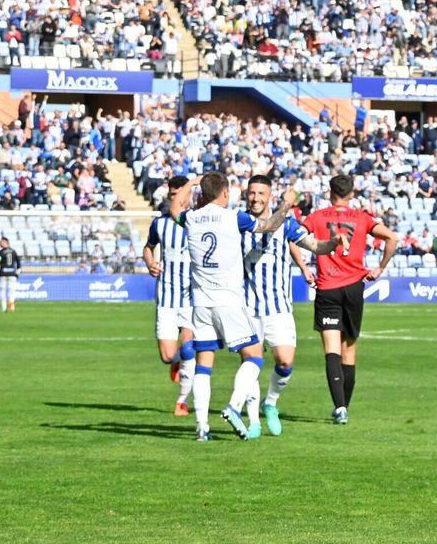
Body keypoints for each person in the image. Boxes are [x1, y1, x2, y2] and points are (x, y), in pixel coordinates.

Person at [182, 171, 294, 442]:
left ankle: (202, 428)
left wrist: (190, 183)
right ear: (225, 193)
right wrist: (287, 204)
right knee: (254, 356)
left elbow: (175, 207)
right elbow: (268, 226)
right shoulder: (234, 217)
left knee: (203, 365)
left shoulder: (190, 218)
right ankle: (234, 406)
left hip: (201, 302)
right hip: (229, 301)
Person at [241, 173, 339, 435]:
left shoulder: (288, 224)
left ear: (269, 196)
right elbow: (266, 227)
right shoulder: (239, 220)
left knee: (285, 362)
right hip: (247, 306)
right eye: (252, 193)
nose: (255, 198)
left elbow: (315, 245)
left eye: (261, 193)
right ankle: (253, 421)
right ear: (245, 195)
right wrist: (285, 206)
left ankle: (270, 403)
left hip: (279, 306)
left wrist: (334, 243)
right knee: (251, 364)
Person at [301, 174, 400, 425]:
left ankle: (340, 407)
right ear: (351, 194)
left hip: (327, 287)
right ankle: (344, 407)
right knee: (349, 349)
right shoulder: (362, 218)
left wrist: (304, 267)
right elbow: (392, 238)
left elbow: (294, 237)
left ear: (329, 192)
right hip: (355, 287)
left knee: (331, 349)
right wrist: (380, 268)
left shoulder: (317, 217)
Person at [142, 174, 196, 414]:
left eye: (181, 193)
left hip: (192, 297)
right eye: (173, 195)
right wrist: (150, 262)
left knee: (188, 349)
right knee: (167, 355)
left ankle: (182, 401)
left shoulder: (199, 221)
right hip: (166, 297)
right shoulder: (160, 224)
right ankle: (175, 365)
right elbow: (148, 247)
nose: (178, 198)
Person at [0, 235, 21, 313]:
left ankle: (4, 308)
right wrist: (18, 273)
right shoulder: (13, 251)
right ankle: (11, 304)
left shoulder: (0, 252)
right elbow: (18, 263)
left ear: (5, 242)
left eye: (1, 242)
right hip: (12, 273)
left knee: (2, 290)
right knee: (12, 290)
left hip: (3, 274)